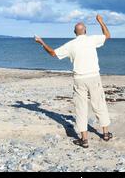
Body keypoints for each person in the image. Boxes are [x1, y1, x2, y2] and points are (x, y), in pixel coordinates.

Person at [34, 14, 112, 148]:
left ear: (75, 32)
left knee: (81, 109)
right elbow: (107, 35)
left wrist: (42, 42)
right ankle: (105, 134)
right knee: (99, 104)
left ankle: (84, 139)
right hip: (94, 77)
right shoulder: (92, 39)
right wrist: (101, 21)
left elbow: (53, 53)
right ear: (85, 31)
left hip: (79, 79)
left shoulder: (71, 45)